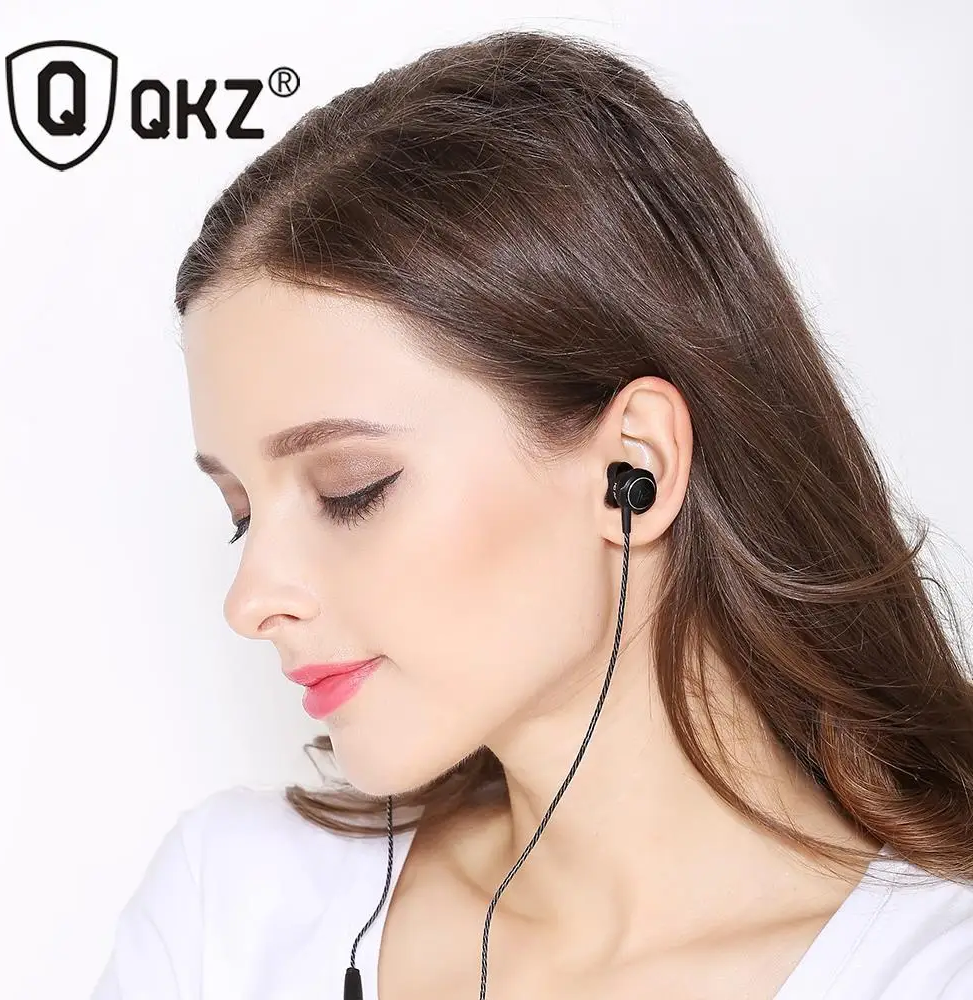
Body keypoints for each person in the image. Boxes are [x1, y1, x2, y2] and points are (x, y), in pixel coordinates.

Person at [90, 27, 973, 1000]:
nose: (250, 600)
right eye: (240, 513)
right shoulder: (229, 910)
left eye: (349, 488)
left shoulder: (932, 972)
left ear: (633, 466)